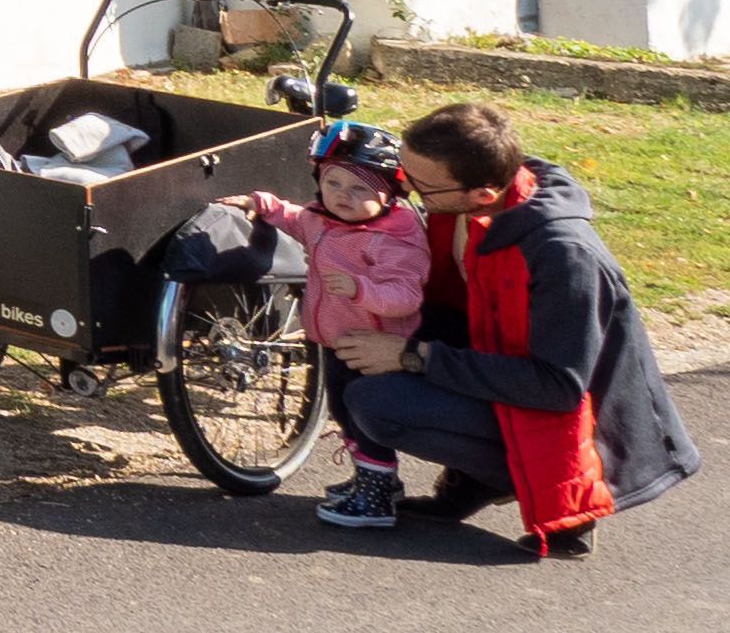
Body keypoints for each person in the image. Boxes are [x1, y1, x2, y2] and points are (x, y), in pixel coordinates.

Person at [324, 97, 702, 552]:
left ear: (482, 194)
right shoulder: (468, 205)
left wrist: (412, 356)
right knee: (347, 341)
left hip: (579, 428)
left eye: (420, 186)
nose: (404, 190)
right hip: (497, 366)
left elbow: (558, 387)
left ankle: (522, 486)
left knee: (376, 401)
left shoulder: (565, 256)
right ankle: (472, 476)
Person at [220, 120, 429, 534]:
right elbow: (294, 217)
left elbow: (407, 295)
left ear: (390, 196)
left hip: (376, 346)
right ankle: (376, 480)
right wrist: (260, 203)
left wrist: (361, 289)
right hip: (335, 341)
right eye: (333, 183)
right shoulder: (323, 219)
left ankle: (376, 500)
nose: (342, 197)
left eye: (360, 190)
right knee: (343, 412)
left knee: (364, 415)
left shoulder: (393, 239)